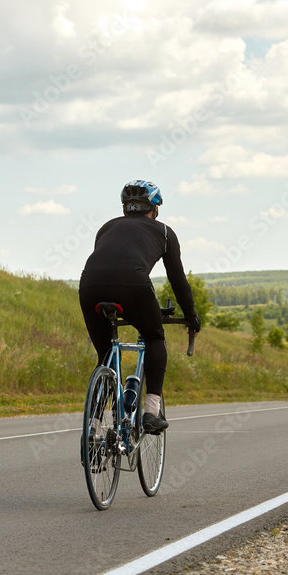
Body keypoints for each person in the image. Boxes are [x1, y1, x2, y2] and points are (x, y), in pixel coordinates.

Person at [78, 180, 201, 434]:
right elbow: (178, 280)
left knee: (106, 357)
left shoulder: (106, 228)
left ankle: (95, 428)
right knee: (154, 336)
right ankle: (151, 412)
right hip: (134, 285)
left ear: (125, 209)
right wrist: (191, 317)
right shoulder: (164, 232)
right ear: (154, 209)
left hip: (89, 285)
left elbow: (107, 265)